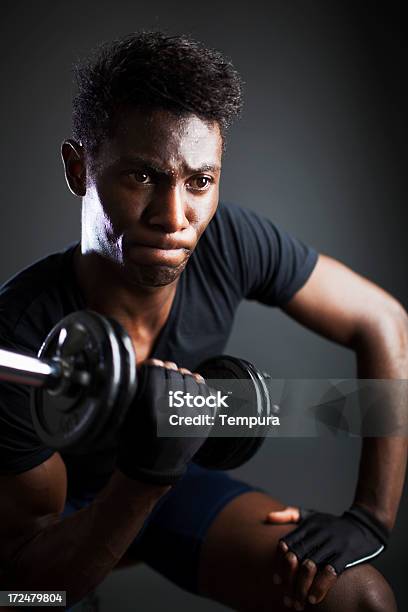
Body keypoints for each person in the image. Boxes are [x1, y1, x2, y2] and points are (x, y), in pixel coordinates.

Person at [0, 31, 406, 611]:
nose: (174, 218)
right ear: (78, 168)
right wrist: (144, 475)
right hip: (49, 542)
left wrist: (372, 517)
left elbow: (384, 320)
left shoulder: (230, 242)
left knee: (360, 597)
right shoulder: (18, 340)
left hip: (170, 492)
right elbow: (35, 578)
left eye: (200, 182)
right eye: (142, 176)